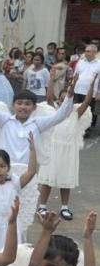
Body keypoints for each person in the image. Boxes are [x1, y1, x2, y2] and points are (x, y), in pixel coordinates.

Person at [0, 69, 75, 164]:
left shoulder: (37, 123)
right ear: (13, 105)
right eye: (19, 103)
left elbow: (59, 116)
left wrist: (70, 95)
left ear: (34, 107)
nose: (23, 107)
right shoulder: (5, 120)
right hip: (5, 170)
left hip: (27, 172)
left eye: (27, 104)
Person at [36, 75, 97, 220]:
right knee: (47, 179)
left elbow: (88, 100)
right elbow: (49, 96)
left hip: (69, 151)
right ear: (59, 100)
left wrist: (92, 85)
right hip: (52, 149)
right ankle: (42, 206)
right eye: (62, 98)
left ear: (72, 100)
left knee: (66, 179)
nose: (64, 100)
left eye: (67, 98)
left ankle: (64, 207)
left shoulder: (76, 113)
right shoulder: (53, 111)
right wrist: (51, 78)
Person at [71, 44, 100, 134]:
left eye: (88, 51)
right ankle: (75, 127)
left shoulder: (99, 64)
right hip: (77, 90)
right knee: (76, 109)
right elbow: (75, 75)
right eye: (85, 51)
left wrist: (99, 93)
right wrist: (71, 87)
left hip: (90, 92)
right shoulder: (81, 62)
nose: (85, 53)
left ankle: (85, 130)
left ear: (94, 52)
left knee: (88, 111)